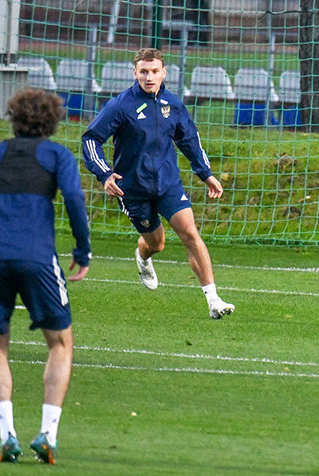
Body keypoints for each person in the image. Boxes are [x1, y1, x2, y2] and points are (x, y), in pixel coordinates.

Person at [0, 88, 91, 463]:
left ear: (13, 118)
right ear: (54, 121)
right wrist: (82, 251)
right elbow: (74, 199)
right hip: (38, 259)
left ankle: (7, 435)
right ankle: (48, 434)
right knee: (60, 344)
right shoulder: (58, 156)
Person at [81, 48, 233, 319]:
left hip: (167, 183)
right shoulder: (120, 105)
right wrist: (105, 174)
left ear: (164, 72)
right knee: (156, 243)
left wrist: (206, 173)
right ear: (135, 73)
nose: (149, 77)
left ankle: (213, 300)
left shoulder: (172, 105)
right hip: (133, 188)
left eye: (154, 71)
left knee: (190, 234)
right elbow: (91, 139)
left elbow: (189, 139)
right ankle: (143, 257)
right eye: (144, 72)